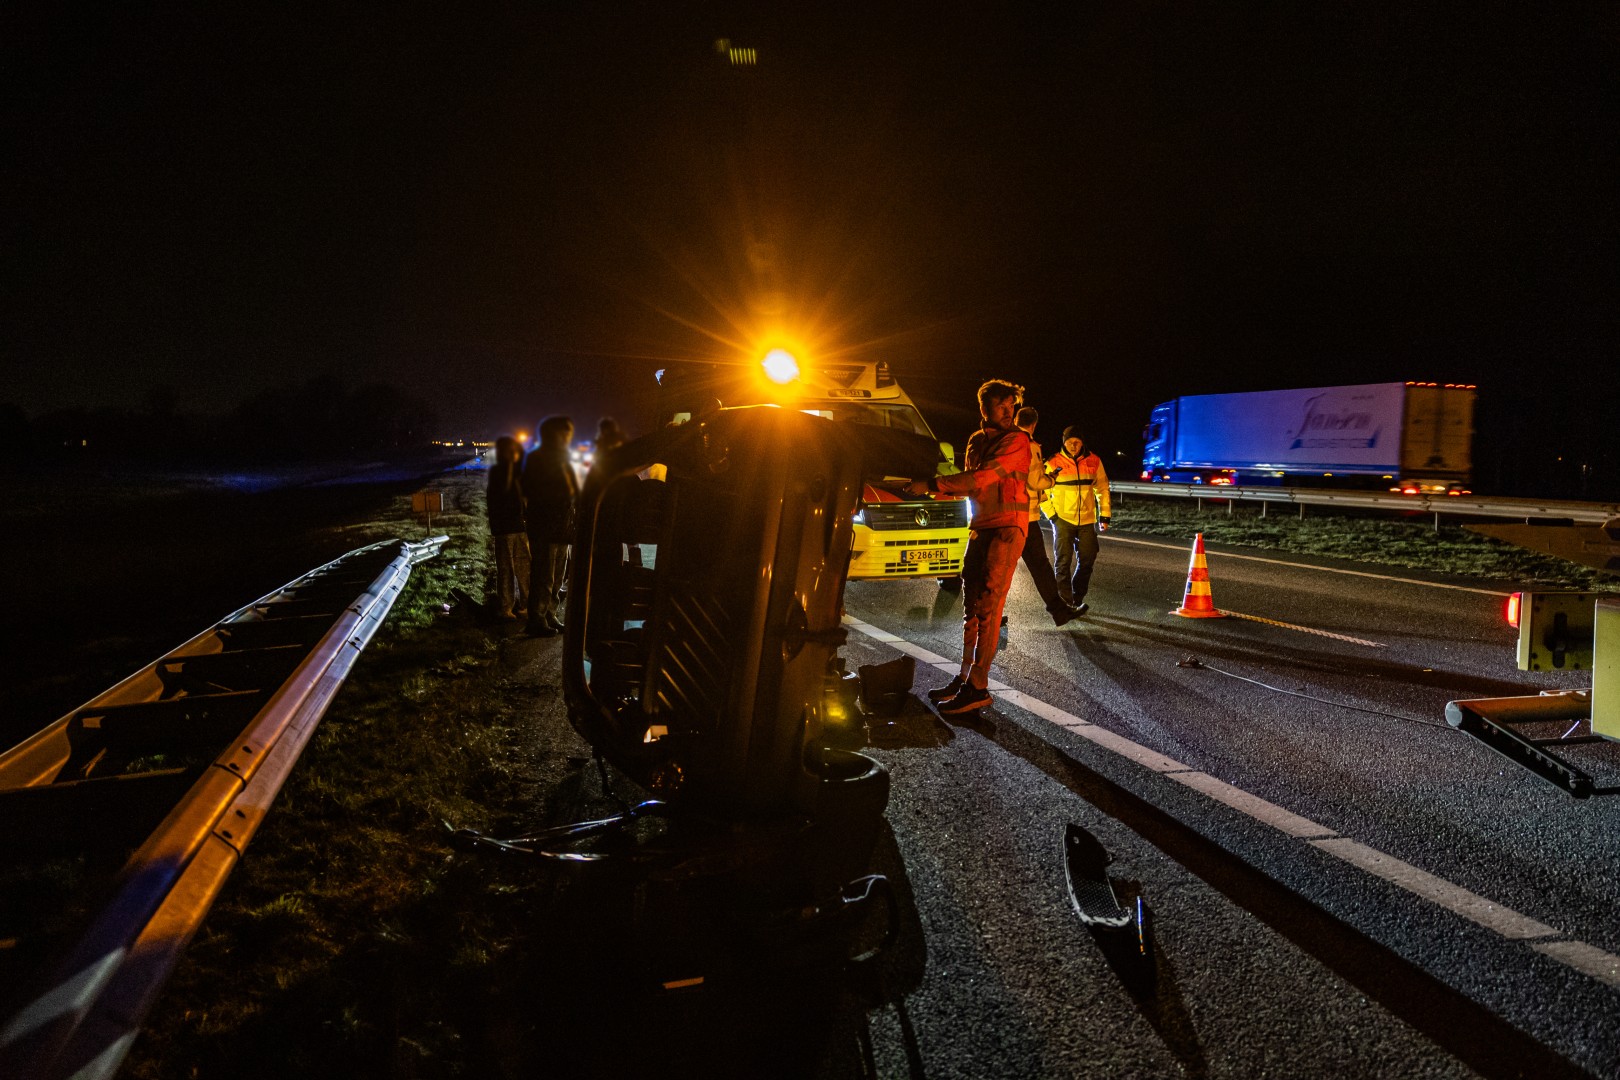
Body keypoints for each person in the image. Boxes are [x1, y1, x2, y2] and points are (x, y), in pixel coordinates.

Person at [905, 379, 1030, 715]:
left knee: (989, 607)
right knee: (971, 608)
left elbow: (980, 479)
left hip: (1006, 529)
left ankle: (979, 686)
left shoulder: (1017, 440)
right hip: (981, 527)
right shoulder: (978, 440)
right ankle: (963, 678)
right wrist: (933, 486)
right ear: (984, 407)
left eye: (1012, 406)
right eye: (1002, 406)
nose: (1009, 412)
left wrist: (932, 484)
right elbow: (969, 481)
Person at [1013, 407, 1079, 627]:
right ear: (1034, 424)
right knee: (1040, 566)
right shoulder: (1029, 445)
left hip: (1007, 512)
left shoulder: (1007, 442)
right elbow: (1034, 481)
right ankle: (1059, 611)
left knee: (1000, 568)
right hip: (1026, 515)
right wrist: (1050, 479)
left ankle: (988, 613)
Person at [1045, 425, 1112, 615]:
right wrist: (1053, 516)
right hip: (1063, 520)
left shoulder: (1094, 461)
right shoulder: (1052, 462)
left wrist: (1104, 515)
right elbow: (1041, 493)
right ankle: (1066, 604)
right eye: (1069, 442)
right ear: (1063, 442)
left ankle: (1077, 596)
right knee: (1063, 562)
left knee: (1088, 559)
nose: (1073, 446)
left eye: (1076, 442)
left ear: (1082, 442)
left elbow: (1103, 488)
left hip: (1086, 520)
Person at [522, 415, 578, 637]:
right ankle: (536, 619)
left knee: (557, 576)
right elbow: (529, 489)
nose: (567, 437)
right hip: (545, 526)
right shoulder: (537, 458)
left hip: (562, 527)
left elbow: (574, 489)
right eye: (564, 433)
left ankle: (550, 614)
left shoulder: (565, 458)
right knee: (543, 576)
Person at [486, 436, 530, 621]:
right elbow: (497, 500)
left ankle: (525, 605)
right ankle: (507, 607)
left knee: (524, 568)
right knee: (507, 570)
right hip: (507, 528)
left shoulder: (519, 470)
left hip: (519, 527)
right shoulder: (499, 472)